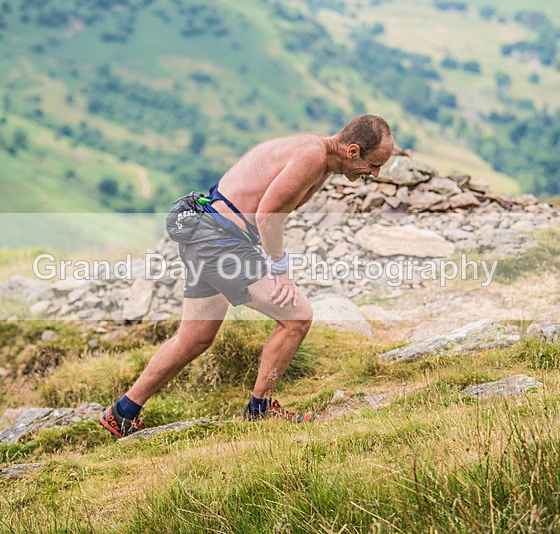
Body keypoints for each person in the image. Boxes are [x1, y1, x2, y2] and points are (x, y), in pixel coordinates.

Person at [100, 114, 394, 437]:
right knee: (297, 316)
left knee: (193, 337)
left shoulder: (318, 153)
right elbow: (268, 215)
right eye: (375, 165)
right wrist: (280, 271)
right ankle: (260, 410)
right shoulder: (312, 157)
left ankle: (123, 412)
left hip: (208, 233)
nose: (376, 174)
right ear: (353, 151)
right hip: (220, 242)